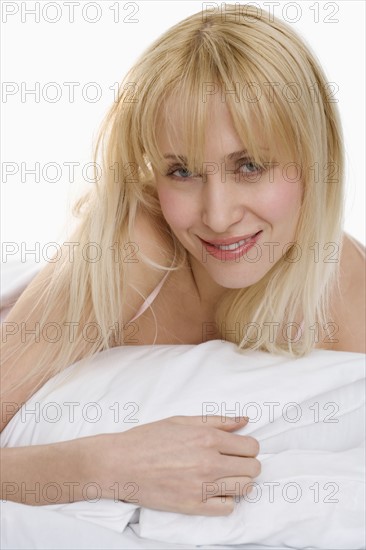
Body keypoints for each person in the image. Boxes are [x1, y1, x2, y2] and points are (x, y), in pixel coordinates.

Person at [1, 4, 365, 515]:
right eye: (182, 172)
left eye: (251, 166)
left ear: (317, 157)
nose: (217, 216)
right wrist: (109, 467)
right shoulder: (134, 246)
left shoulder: (346, 294)